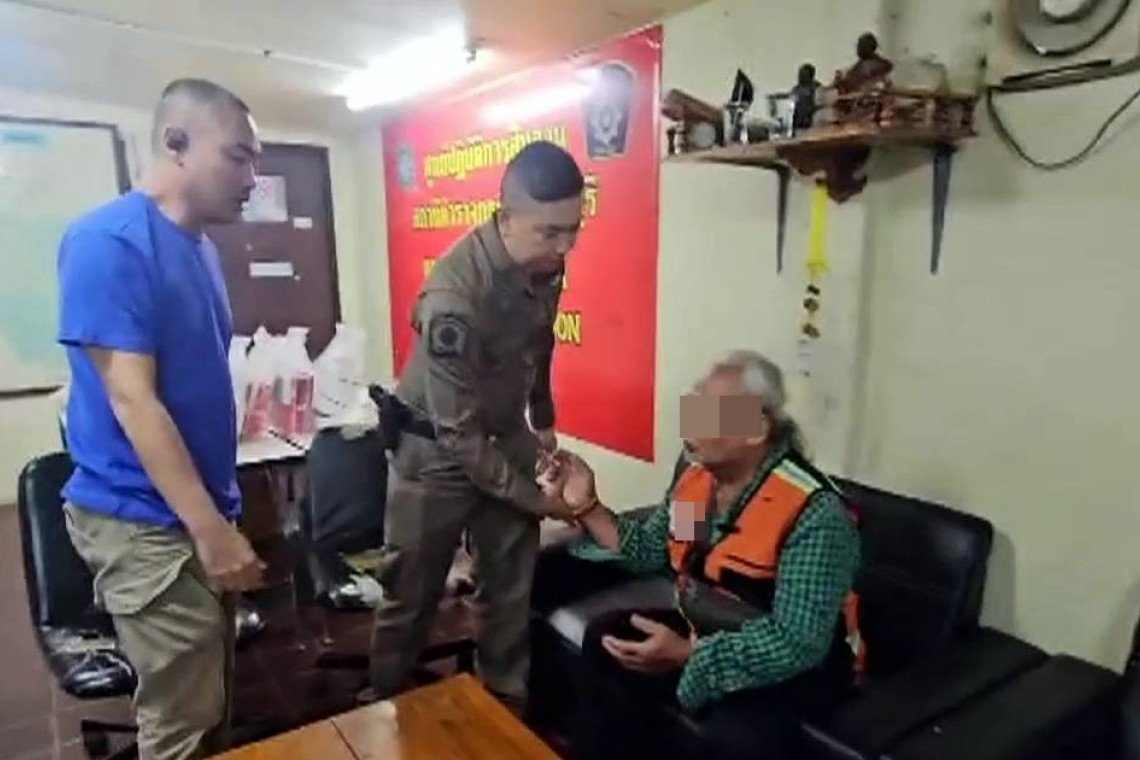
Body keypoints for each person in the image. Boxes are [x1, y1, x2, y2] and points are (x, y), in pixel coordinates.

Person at [57, 78, 264, 760]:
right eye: (237, 157)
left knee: (211, 705)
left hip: (195, 507)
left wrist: (216, 516)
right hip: (142, 517)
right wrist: (209, 530)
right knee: (182, 724)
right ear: (176, 144)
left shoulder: (200, 247)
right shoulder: (108, 242)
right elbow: (132, 400)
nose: (251, 179)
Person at [543, 350, 863, 760]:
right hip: (711, 626)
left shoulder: (815, 513)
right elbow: (655, 551)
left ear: (756, 429)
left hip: (797, 663)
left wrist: (689, 654)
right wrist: (587, 506)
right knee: (607, 640)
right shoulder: (700, 482)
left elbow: (796, 642)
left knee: (734, 737)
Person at [369, 141, 585, 711]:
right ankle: (383, 711)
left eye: (573, 230)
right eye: (551, 232)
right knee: (411, 594)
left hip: (502, 430)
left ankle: (505, 709)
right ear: (506, 218)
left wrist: (542, 417)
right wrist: (538, 501)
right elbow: (457, 437)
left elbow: (540, 340)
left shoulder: (545, 263)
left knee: (511, 586)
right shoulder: (454, 297)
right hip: (434, 451)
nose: (564, 247)